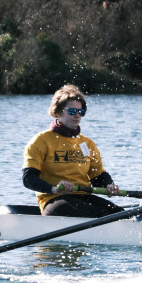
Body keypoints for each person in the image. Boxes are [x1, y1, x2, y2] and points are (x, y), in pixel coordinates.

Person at [22, 84, 124, 217]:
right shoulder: (41, 141)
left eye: (80, 112)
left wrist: (109, 184)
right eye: (72, 111)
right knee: (99, 214)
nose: (77, 116)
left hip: (83, 197)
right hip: (54, 199)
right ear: (57, 111)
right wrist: (54, 188)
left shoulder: (87, 143)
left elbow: (97, 175)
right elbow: (28, 178)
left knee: (120, 214)